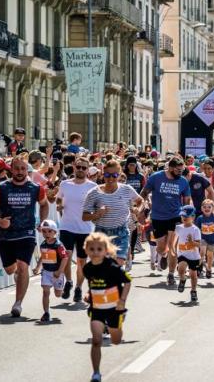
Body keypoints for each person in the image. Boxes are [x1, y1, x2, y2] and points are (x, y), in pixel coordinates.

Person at [0, 157, 50, 317]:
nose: (20, 172)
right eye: (17, 169)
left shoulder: (35, 187)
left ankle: (18, 303)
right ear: (11, 170)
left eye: (23, 169)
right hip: (6, 235)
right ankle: (18, 276)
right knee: (10, 270)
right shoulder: (1, 187)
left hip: (26, 234)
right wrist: (0, 221)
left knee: (23, 266)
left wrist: (42, 222)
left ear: (26, 170)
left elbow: (44, 204)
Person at [82, 232, 132, 382]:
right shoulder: (87, 268)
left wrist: (122, 300)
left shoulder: (113, 267)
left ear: (106, 250)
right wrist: (88, 295)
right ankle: (96, 373)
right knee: (96, 340)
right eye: (92, 249)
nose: (95, 252)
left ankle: (121, 319)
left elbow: (128, 282)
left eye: (99, 249)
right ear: (86, 250)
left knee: (116, 340)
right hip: (97, 309)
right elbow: (92, 285)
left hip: (114, 309)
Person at [140, 156, 191, 286]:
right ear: (170, 168)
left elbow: (186, 200)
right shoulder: (156, 177)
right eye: (178, 170)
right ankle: (163, 255)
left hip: (175, 216)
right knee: (161, 247)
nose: (180, 173)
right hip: (158, 217)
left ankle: (171, 274)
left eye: (182, 170)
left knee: (173, 246)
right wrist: (140, 207)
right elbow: (144, 192)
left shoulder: (183, 181)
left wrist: (187, 216)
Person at [82, 160, 143, 267]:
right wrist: (97, 214)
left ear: (119, 175)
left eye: (114, 175)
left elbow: (140, 201)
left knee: (117, 264)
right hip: (101, 233)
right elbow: (84, 216)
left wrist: (137, 208)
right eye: (107, 175)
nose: (110, 178)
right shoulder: (94, 193)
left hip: (121, 231)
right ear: (102, 175)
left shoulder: (126, 189)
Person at [56, 156, 97, 302]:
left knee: (81, 261)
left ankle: (79, 287)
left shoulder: (92, 186)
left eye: (83, 168)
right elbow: (59, 198)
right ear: (74, 167)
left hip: (85, 229)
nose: (80, 170)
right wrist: (59, 204)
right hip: (66, 226)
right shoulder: (65, 184)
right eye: (78, 167)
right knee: (65, 257)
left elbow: (97, 205)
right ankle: (69, 282)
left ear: (88, 171)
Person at [32, 219, 68, 322]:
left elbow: (65, 258)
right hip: (46, 272)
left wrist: (59, 271)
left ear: (55, 232)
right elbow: (43, 256)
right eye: (44, 231)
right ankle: (46, 313)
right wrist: (38, 267)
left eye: (49, 231)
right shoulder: (43, 244)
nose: (46, 234)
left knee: (58, 294)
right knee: (45, 291)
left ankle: (63, 288)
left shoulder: (59, 245)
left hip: (57, 273)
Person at [174, 205, 202, 302]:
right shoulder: (178, 228)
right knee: (181, 269)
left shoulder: (195, 229)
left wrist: (192, 242)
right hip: (182, 254)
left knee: (193, 275)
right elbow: (174, 240)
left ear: (193, 217)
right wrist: (172, 249)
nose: (184, 218)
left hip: (193, 256)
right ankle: (182, 279)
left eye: (187, 216)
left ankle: (193, 291)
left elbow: (199, 244)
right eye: (182, 216)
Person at [195, 199, 214, 279]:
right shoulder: (200, 218)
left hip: (213, 239)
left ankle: (209, 269)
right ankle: (197, 268)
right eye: (204, 207)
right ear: (201, 208)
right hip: (203, 238)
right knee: (202, 253)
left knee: (210, 256)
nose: (207, 208)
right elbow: (197, 228)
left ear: (213, 208)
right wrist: (198, 232)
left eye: (209, 207)